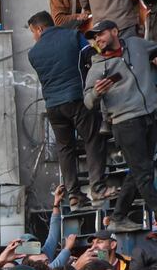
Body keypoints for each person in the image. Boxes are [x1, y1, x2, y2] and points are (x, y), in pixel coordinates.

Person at [84, 18, 157, 233]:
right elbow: (87, 101)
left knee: (140, 170)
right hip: (125, 122)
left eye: (100, 34)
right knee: (143, 172)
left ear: (114, 31)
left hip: (148, 115)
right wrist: (97, 92)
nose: (98, 39)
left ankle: (118, 216)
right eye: (95, 37)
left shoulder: (135, 44)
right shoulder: (98, 67)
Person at [28, 11, 103, 210]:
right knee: (92, 138)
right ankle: (97, 187)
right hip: (77, 98)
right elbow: (91, 56)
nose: (34, 37)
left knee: (65, 148)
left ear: (40, 29)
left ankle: (74, 194)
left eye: (33, 33)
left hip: (53, 106)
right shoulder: (73, 35)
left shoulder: (33, 53)